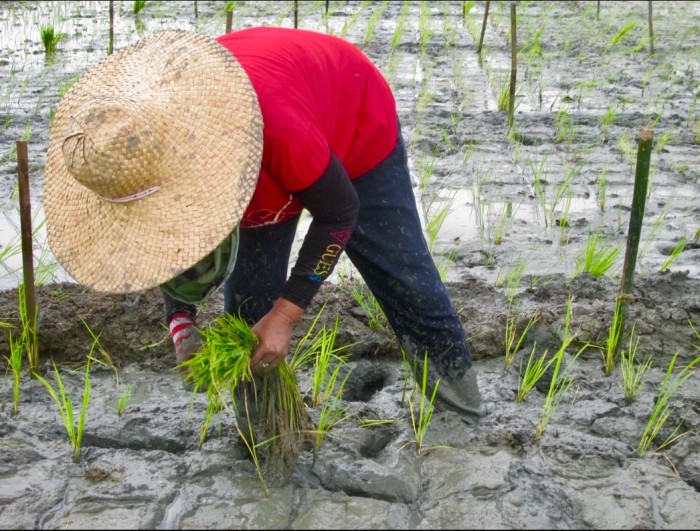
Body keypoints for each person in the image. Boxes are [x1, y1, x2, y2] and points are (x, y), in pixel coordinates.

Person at [44, 27, 485, 428]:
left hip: (349, 118)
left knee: (403, 279)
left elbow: (339, 213)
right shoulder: (143, 147)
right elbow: (167, 240)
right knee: (250, 312)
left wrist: (287, 315)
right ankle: (268, 434)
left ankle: (464, 419)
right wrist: (181, 320)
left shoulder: (276, 129)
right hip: (248, 147)